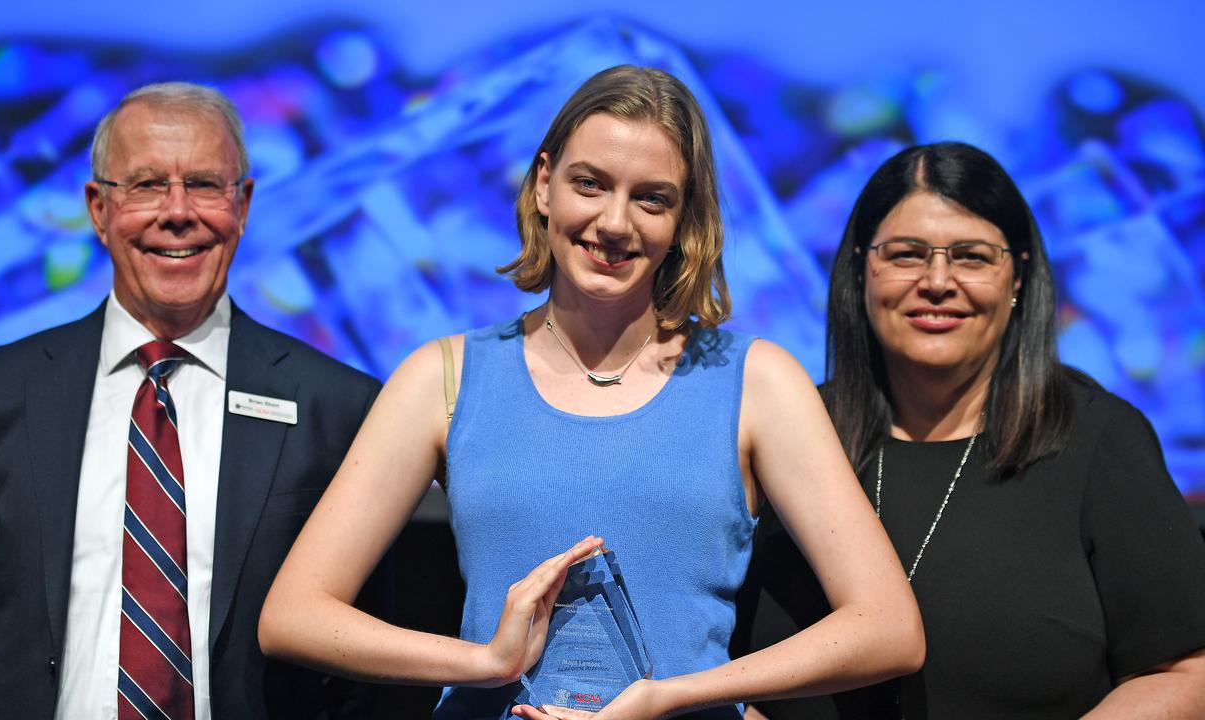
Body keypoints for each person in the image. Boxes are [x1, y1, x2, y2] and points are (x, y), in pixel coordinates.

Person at [257, 64, 923, 720]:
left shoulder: (755, 380)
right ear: (544, 184)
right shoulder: (444, 377)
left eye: (652, 199)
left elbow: (887, 628)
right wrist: (486, 662)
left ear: (684, 218)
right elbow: (294, 616)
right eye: (590, 184)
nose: (614, 222)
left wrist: (679, 693)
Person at [0, 82, 389, 719]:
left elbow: (363, 665)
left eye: (205, 184)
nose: (177, 213)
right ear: (97, 209)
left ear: (244, 204)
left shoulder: (335, 409)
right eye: (146, 184)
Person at [734, 141, 1205, 719]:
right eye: (906, 254)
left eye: (972, 256)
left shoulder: (1099, 439)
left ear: (1018, 278)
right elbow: (709, 657)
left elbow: (1185, 673)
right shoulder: (781, 434)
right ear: (860, 269)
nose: (937, 281)